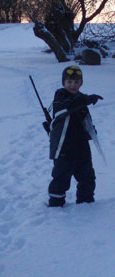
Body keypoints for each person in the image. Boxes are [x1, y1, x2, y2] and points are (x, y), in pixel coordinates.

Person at [48, 65, 103, 207]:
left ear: (81, 83)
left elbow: (84, 118)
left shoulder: (81, 98)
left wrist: (90, 131)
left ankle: (86, 205)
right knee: (61, 179)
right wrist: (86, 100)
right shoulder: (60, 96)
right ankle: (55, 205)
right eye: (70, 82)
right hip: (64, 148)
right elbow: (64, 110)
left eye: (77, 82)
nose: (73, 85)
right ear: (63, 83)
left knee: (88, 178)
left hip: (81, 147)